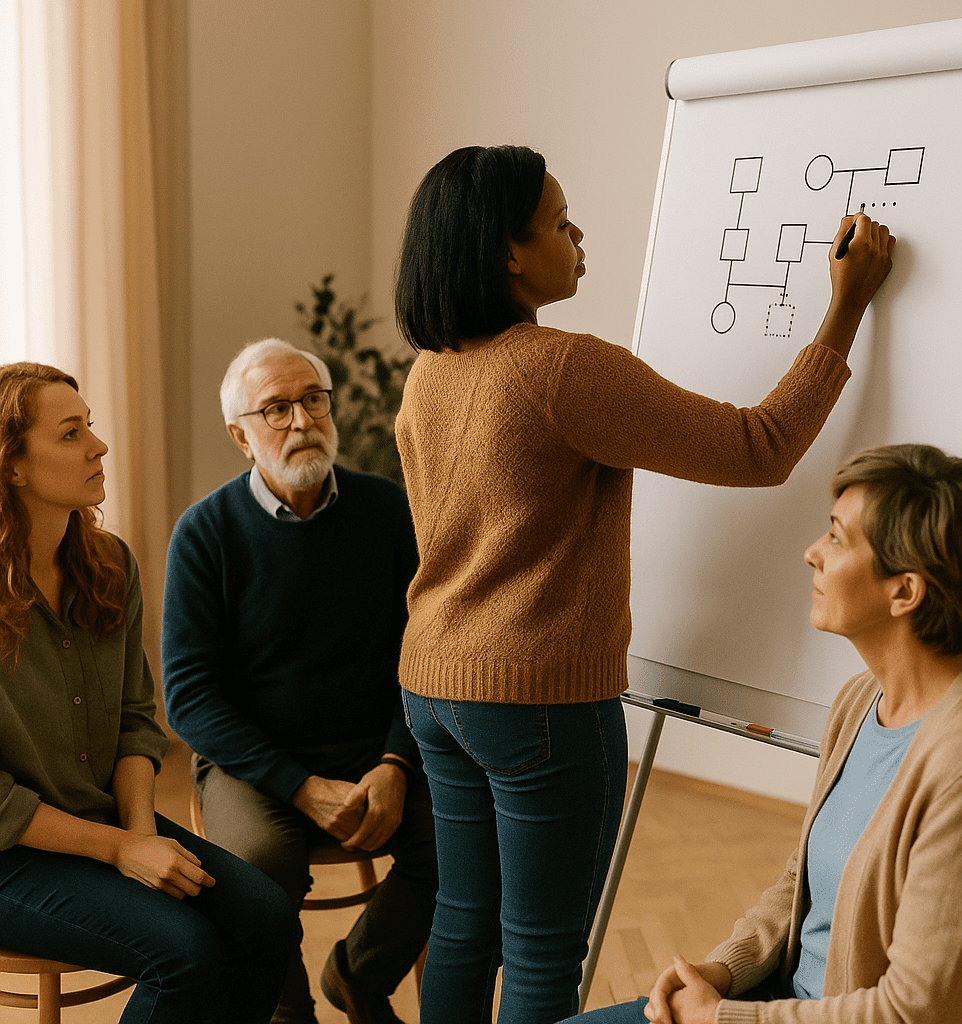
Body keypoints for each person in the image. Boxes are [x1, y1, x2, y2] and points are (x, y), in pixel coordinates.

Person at [392, 144, 896, 1024]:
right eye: (557, 220)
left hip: (433, 682)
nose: (578, 233)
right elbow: (757, 448)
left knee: (464, 922)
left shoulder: (431, 371)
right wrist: (846, 309)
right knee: (544, 948)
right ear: (509, 253)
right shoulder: (560, 368)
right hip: (536, 696)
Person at [555, 443, 962, 1024]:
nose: (812, 554)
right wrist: (723, 970)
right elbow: (801, 883)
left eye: (836, 537)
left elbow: (914, 1012)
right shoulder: (861, 698)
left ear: (905, 590)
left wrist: (719, 1018)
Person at [0, 361, 296, 1024]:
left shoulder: (109, 564)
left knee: (267, 919)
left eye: (90, 428)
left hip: (104, 819)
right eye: (71, 434)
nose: (98, 446)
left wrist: (138, 830)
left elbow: (136, 719)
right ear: (12, 466)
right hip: (7, 853)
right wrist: (122, 850)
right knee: (183, 952)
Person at [161, 338, 437, 1024]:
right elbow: (190, 697)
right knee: (258, 870)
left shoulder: (389, 511)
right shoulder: (205, 533)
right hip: (254, 762)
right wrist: (299, 787)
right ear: (240, 436)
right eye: (275, 409)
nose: (301, 421)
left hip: (376, 746)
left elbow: (425, 655)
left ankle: (360, 976)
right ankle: (289, 1016)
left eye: (312, 399)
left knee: (467, 837)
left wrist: (397, 762)